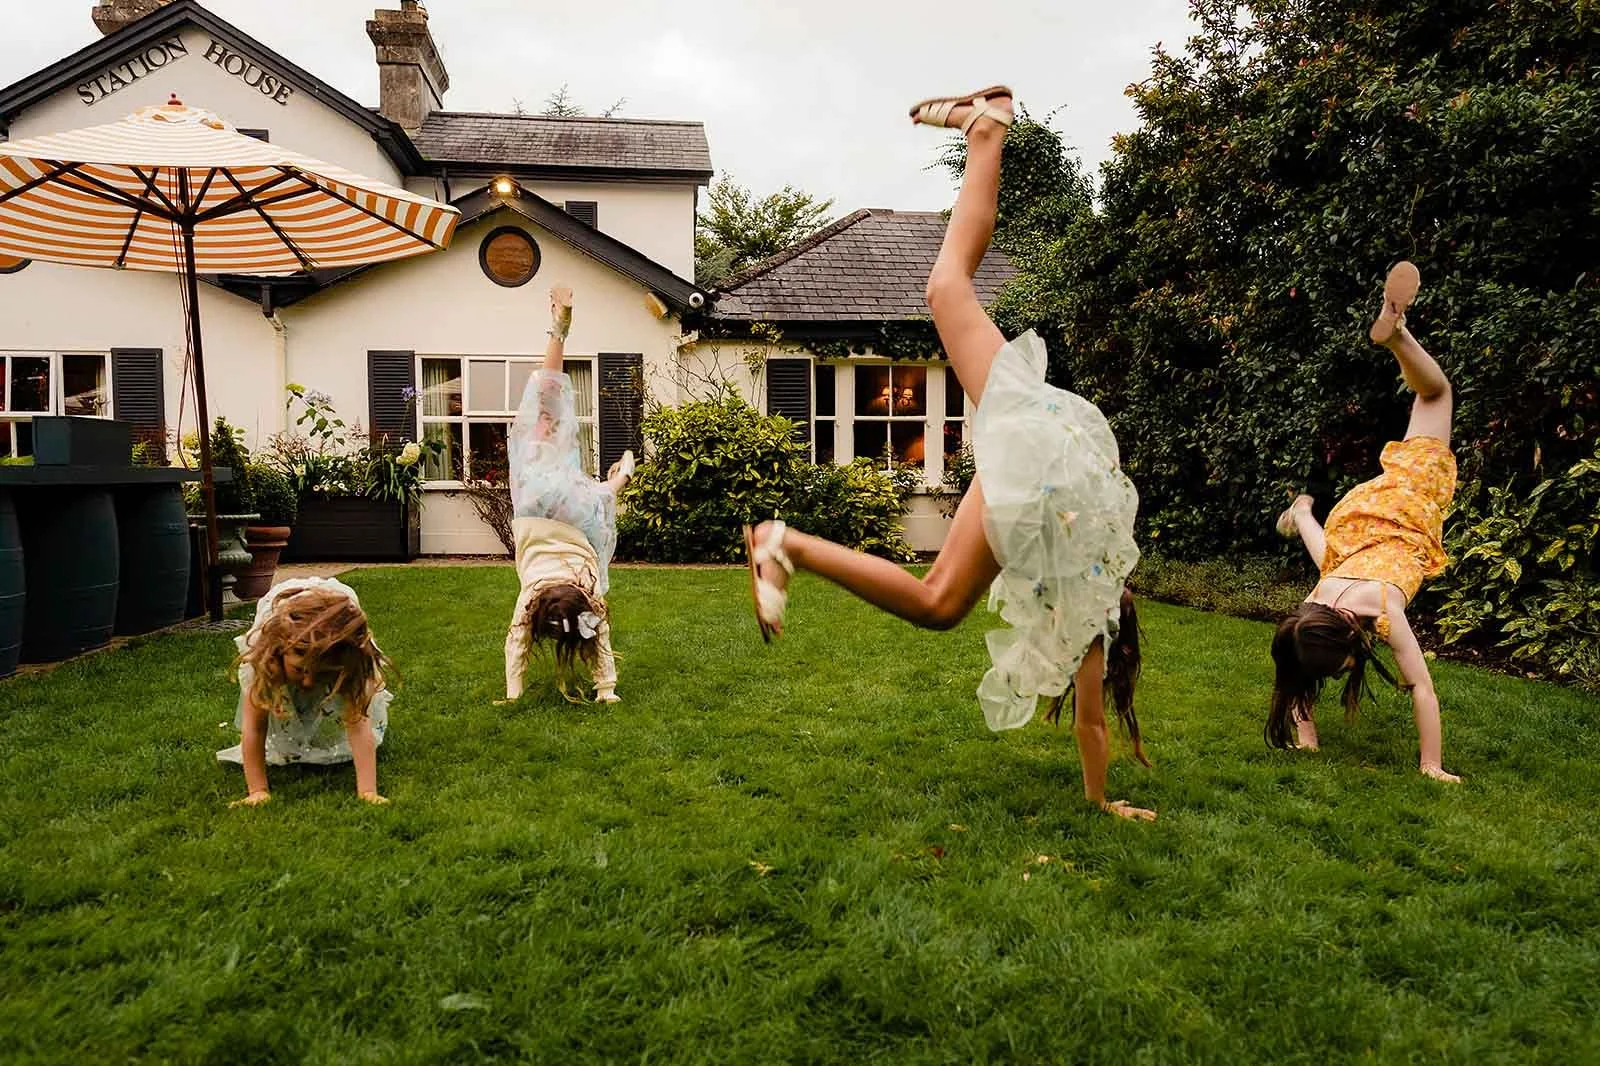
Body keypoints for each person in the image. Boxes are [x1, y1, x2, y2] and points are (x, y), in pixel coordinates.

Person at [744, 86, 1154, 820]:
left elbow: (1092, 715)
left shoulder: (1095, 562)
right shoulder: (1092, 609)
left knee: (945, 287)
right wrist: (1102, 803)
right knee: (936, 603)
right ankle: (788, 543)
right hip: (1035, 466)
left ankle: (986, 130)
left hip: (1042, 429)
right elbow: (1092, 722)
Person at [1269, 261, 1461, 782]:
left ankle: (1397, 335)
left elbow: (1422, 687)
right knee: (1328, 552)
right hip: (1357, 519)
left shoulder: (1382, 613)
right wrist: (1305, 741)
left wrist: (1432, 766)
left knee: (1435, 394)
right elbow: (1297, 671)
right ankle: (1303, 511)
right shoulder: (1312, 610)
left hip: (1406, 510)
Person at [503, 284, 634, 703]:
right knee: (545, 416)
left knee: (594, 493)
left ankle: (618, 482)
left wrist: (514, 693)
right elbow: (519, 643)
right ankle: (618, 480)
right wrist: (606, 692)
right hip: (538, 509)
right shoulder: (545, 597)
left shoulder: (581, 594)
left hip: (574, 519)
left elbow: (516, 649)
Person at [218, 578, 392, 806]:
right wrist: (257, 790)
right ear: (280, 654)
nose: (309, 683)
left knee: (352, 700)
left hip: (338, 627)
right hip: (282, 618)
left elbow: (358, 724)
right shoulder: (265, 658)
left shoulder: (348, 656)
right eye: (300, 670)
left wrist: (368, 791)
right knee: (271, 701)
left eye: (320, 674)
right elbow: (255, 728)